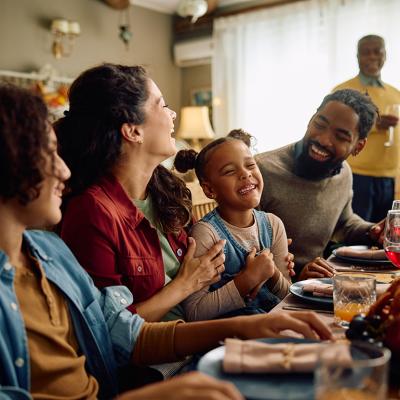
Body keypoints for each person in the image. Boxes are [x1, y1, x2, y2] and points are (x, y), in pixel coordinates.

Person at [0, 83, 332, 399]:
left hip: (186, 352)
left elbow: (127, 333)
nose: (64, 171)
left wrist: (251, 324)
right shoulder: (92, 212)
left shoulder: (50, 253)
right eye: (47, 154)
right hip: (163, 370)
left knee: (324, 367)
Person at [56, 64, 294, 323]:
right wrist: (185, 285)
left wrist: (264, 262)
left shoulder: (166, 191)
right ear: (133, 131)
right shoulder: (91, 212)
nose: (173, 115)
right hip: (166, 359)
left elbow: (207, 267)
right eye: (162, 105)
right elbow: (108, 331)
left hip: (202, 336)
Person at [256, 89, 384, 280]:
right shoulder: (260, 172)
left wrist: (376, 231)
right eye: (320, 124)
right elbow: (242, 254)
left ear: (358, 146)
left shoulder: (344, 173)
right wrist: (296, 278)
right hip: (273, 294)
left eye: (341, 137)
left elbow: (344, 224)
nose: (323, 139)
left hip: (315, 285)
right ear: (310, 119)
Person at [174, 130, 291, 321]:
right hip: (226, 340)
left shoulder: (273, 224)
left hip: (274, 329)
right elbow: (195, 312)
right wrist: (247, 280)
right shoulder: (206, 234)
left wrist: (273, 274)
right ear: (210, 189)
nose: (245, 174)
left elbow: (288, 297)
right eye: (230, 171)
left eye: (250, 165)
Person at [333, 35, 400, 222]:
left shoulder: (396, 94)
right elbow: (335, 128)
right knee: (356, 237)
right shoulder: (343, 90)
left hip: (390, 177)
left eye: (377, 51)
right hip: (356, 175)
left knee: (383, 236)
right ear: (357, 57)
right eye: (366, 52)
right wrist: (374, 125)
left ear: (385, 55)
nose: (372, 57)